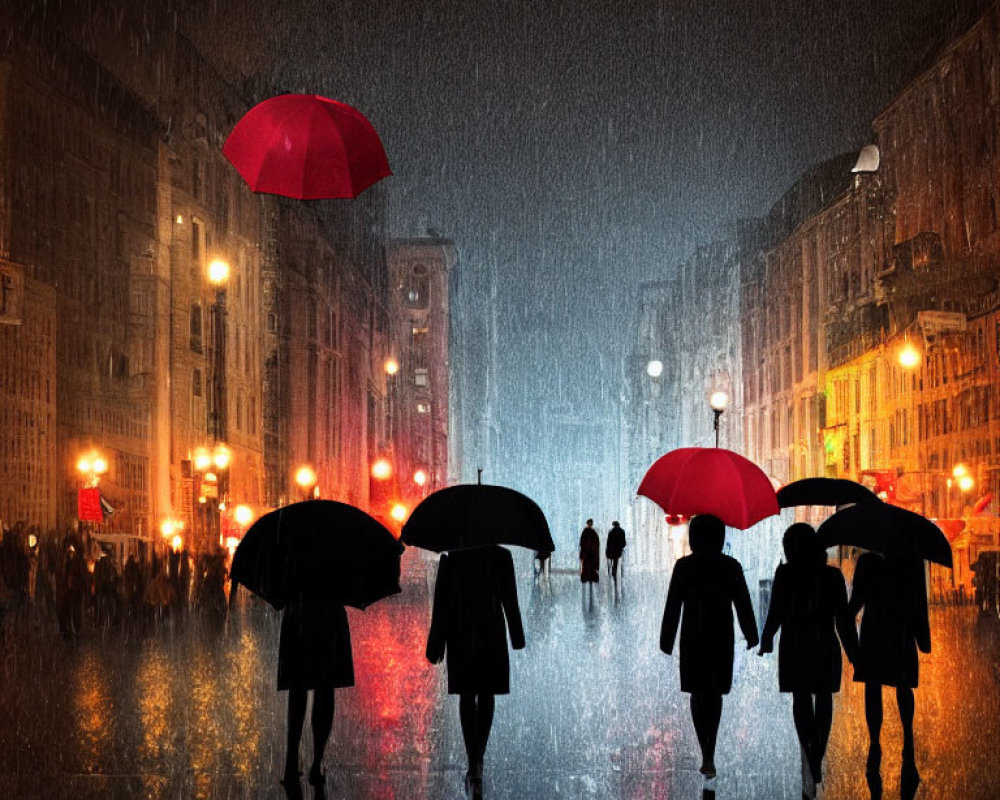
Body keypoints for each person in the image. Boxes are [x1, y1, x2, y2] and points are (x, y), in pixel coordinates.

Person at [758, 524, 859, 799]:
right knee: (824, 699)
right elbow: (843, 621)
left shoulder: (786, 573)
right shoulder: (832, 576)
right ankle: (817, 754)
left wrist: (767, 639)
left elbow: (775, 610)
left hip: (795, 645)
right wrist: (855, 653)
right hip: (824, 643)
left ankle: (809, 747)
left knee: (801, 699)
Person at [660, 514, 758, 786]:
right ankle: (709, 751)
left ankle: (705, 749)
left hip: (693, 636)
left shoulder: (684, 567)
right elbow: (743, 603)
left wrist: (666, 640)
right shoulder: (730, 566)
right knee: (714, 694)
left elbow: (672, 606)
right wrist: (751, 634)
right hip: (720, 637)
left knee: (697, 692)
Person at [426, 545, 525, 799]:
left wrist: (436, 642)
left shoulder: (453, 557)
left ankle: (473, 756)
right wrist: (516, 636)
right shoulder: (501, 556)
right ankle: (478, 754)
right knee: (487, 692)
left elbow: (442, 604)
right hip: (490, 630)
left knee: (467, 695)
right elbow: (510, 599)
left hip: (461, 632)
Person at [848, 551, 930, 800]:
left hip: (874, 631)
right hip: (901, 631)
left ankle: (875, 741)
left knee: (873, 687)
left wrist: (846, 627)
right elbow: (919, 602)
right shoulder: (911, 559)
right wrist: (923, 638)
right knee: (903, 685)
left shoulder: (866, 562)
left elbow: (856, 603)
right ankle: (907, 737)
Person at [277, 575, 354, 800]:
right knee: (324, 686)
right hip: (329, 608)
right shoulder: (339, 540)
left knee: (298, 686)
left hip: (300, 607)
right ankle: (316, 763)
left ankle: (293, 759)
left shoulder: (293, 539)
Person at [579, 519, 600, 584]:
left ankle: (586, 577)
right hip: (592, 553)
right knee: (591, 565)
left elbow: (582, 543)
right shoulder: (594, 533)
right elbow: (597, 543)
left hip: (586, 552)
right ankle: (591, 577)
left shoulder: (585, 532)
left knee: (586, 565)